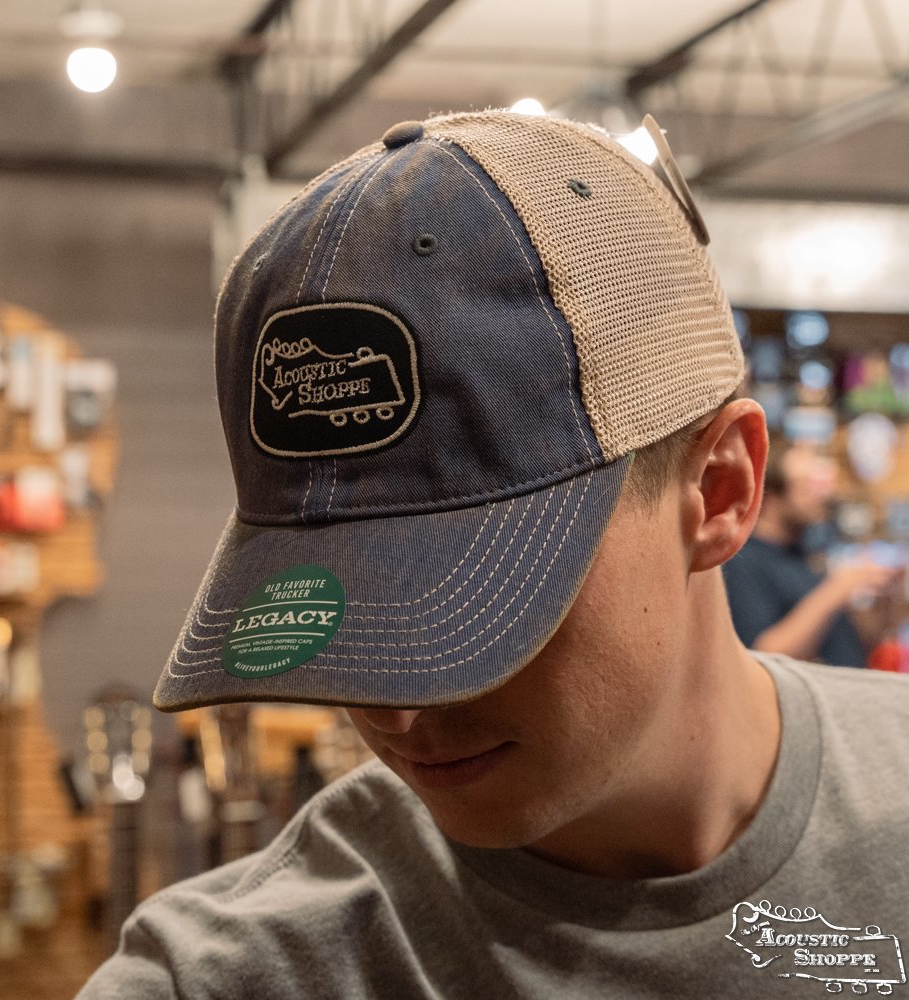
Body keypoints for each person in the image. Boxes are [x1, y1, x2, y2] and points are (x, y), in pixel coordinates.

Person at [77, 111, 909, 998]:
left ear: (721, 491)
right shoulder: (235, 975)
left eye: (475, 603)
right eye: (345, 611)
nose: (393, 713)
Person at [723, 435, 902, 666]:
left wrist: (888, 599)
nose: (822, 495)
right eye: (807, 485)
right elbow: (764, 655)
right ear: (770, 495)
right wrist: (838, 588)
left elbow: (855, 641)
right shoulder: (743, 561)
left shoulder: (805, 553)